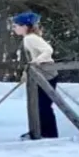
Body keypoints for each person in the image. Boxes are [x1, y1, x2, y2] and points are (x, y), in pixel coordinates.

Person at [13, 11, 59, 139]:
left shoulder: (30, 38)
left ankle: (49, 134)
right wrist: (26, 73)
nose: (14, 28)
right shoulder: (28, 38)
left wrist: (36, 62)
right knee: (38, 105)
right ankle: (39, 131)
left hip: (47, 75)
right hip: (40, 75)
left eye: (16, 25)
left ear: (25, 27)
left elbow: (48, 50)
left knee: (43, 106)